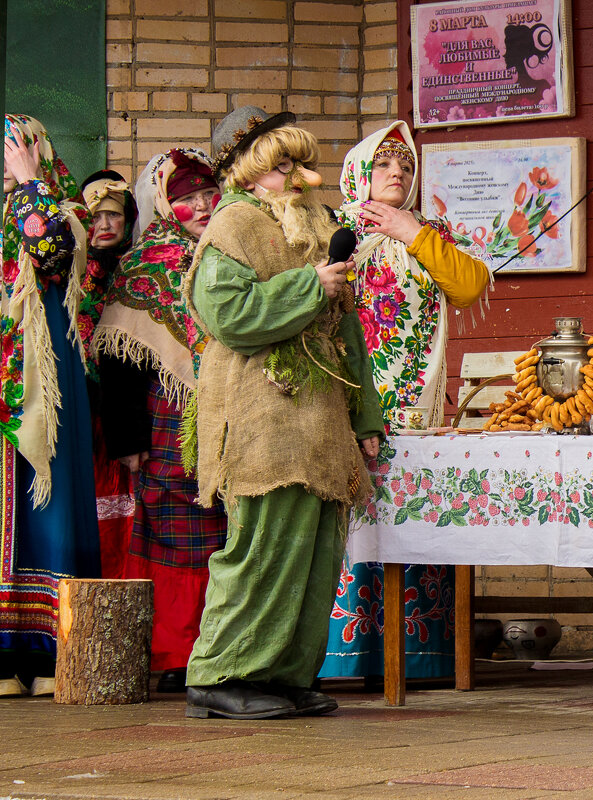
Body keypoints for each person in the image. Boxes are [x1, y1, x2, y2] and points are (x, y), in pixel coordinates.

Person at [182, 106, 385, 719]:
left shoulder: (317, 229)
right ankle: (220, 674)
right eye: (281, 166)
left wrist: (366, 419)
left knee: (317, 549)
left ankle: (286, 674)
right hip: (259, 412)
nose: (297, 176)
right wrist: (307, 288)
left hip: (319, 419)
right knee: (264, 546)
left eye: (301, 163)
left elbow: (346, 330)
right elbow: (229, 317)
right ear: (247, 173)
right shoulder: (233, 228)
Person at [321, 121, 489, 686]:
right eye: (384, 165)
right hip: (347, 397)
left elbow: (468, 286)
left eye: (406, 167)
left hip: (416, 406)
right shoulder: (333, 230)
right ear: (359, 173)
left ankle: (419, 655)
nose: (397, 173)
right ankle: (345, 658)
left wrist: (411, 231)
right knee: (352, 520)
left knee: (416, 517)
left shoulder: (429, 232)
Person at [92, 149, 227, 693]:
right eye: (184, 198)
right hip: (168, 419)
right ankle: (175, 653)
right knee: (175, 527)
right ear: (164, 205)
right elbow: (119, 357)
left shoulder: (233, 251)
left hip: (230, 410)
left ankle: (219, 648)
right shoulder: (147, 264)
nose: (198, 206)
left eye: (205, 195)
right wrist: (128, 440)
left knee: (223, 525)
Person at [0, 115, 100, 698]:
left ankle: (47, 654)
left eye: (15, 148)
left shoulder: (64, 213)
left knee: (48, 498)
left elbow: (50, 252)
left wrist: (31, 184)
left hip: (42, 379)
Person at [77, 170, 138, 581]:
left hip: (128, 417)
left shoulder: (138, 269)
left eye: (112, 216)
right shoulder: (69, 273)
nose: (103, 226)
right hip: (81, 411)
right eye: (93, 217)